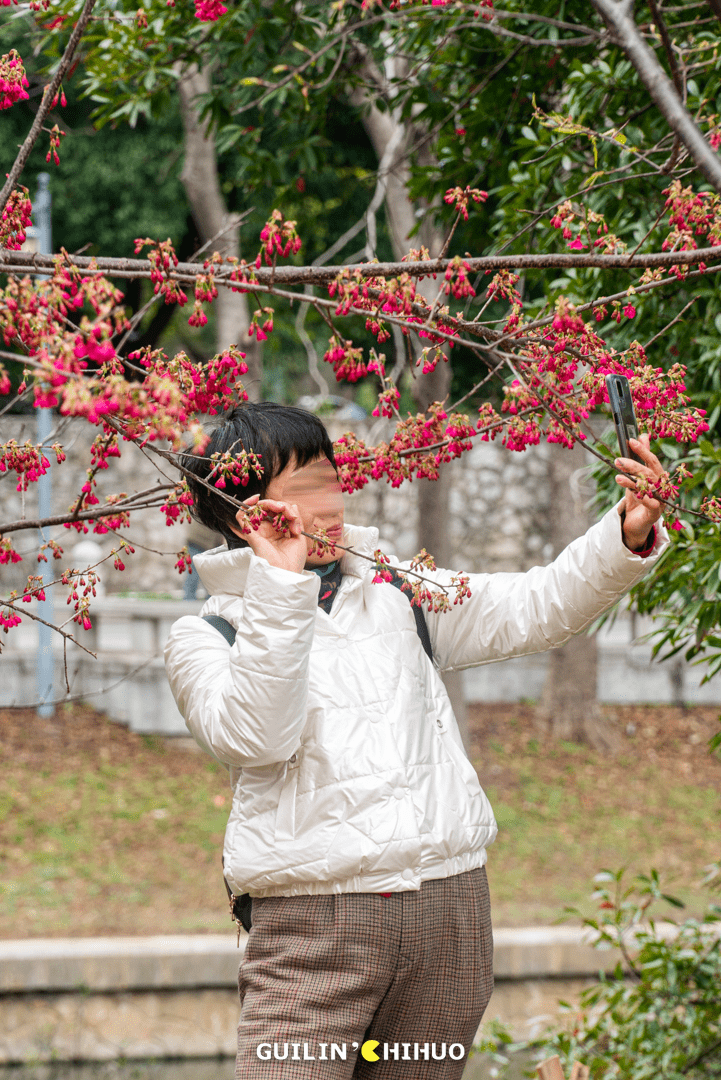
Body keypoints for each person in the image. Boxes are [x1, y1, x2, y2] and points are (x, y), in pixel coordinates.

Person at [164, 401, 668, 1079]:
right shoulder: (205, 636)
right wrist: (281, 584)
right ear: (241, 514)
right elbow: (258, 738)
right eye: (300, 488)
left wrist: (623, 535)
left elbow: (535, 606)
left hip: (447, 915)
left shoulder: (398, 592)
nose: (328, 501)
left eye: (327, 477)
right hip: (312, 932)